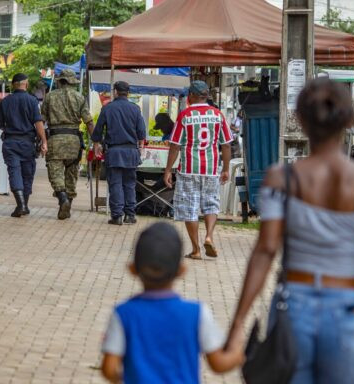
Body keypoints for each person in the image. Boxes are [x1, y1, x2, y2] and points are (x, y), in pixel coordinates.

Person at [224, 78, 354, 383]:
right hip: (346, 309)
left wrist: (237, 325)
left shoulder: (280, 179)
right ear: (349, 121)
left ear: (300, 120)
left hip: (292, 307)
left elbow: (265, 251)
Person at [100, 222, 244, 384]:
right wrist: (239, 353)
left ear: (132, 269)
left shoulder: (123, 313)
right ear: (182, 270)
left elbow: (109, 369)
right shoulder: (197, 313)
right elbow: (219, 364)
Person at [163, 81, 232, 260]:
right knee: (211, 204)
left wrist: (168, 170)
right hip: (211, 169)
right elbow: (226, 144)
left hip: (188, 169)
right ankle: (209, 236)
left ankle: (196, 250)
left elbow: (175, 145)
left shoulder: (185, 115)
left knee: (190, 208)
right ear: (206, 96)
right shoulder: (218, 115)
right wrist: (225, 169)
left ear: (192, 96)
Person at [41, 69, 93, 220]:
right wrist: (96, 141)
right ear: (72, 82)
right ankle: (67, 206)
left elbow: (41, 121)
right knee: (71, 174)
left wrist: (42, 140)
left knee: (55, 173)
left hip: (55, 139)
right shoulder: (79, 97)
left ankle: (63, 199)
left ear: (60, 81)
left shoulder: (50, 97)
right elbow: (89, 122)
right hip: (74, 141)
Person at [92, 81, 146, 226]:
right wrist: (141, 147)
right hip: (131, 152)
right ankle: (130, 215)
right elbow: (141, 132)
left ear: (115, 92)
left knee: (115, 183)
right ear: (128, 93)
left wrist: (96, 145)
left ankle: (117, 216)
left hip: (114, 152)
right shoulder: (135, 109)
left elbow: (98, 130)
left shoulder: (107, 108)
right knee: (129, 184)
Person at [0, 73, 47, 217]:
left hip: (10, 142)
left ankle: (21, 205)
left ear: (13, 85)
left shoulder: (6, 101)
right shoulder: (32, 100)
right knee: (27, 173)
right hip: (27, 143)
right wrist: (44, 141)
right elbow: (38, 122)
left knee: (14, 172)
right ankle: (24, 205)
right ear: (26, 83)